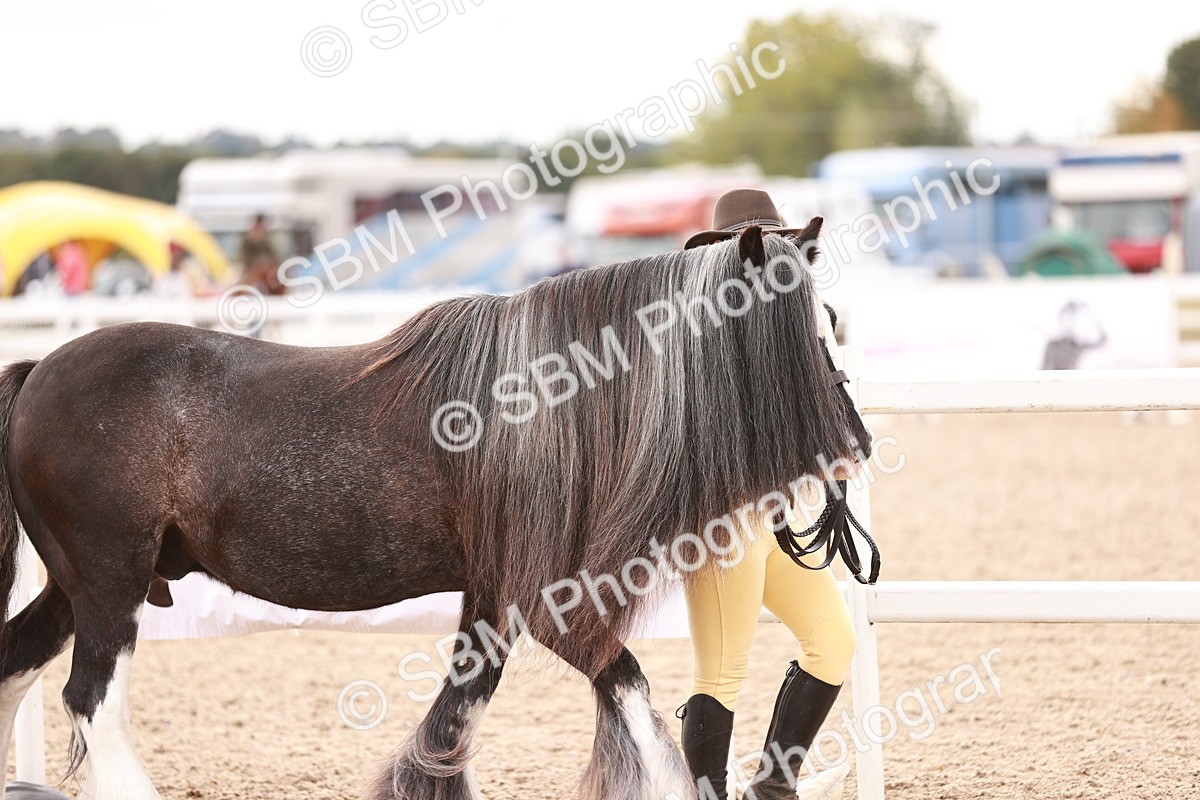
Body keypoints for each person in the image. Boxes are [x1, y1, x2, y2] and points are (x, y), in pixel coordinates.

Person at [677, 189, 855, 800]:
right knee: (722, 671)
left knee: (833, 638)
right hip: (720, 519)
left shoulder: (794, 319)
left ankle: (773, 786)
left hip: (768, 516)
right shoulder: (698, 332)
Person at [239, 213, 284, 295]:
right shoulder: (247, 242)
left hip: (266, 270)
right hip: (252, 270)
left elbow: (273, 256)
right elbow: (246, 259)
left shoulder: (267, 241)